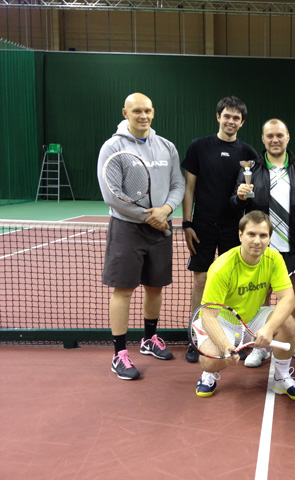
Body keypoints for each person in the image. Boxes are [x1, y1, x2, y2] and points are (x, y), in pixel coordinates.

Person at [97, 92, 185, 380]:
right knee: (123, 290)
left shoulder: (167, 147)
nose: (143, 115)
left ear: (153, 112)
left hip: (160, 227)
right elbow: (112, 195)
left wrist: (167, 210)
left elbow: (178, 184)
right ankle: (119, 353)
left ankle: (149, 339)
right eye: (136, 111)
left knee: (155, 287)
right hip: (127, 228)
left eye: (147, 110)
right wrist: (150, 217)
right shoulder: (112, 147)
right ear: (125, 113)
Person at [194, 210, 295, 402]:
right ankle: (208, 374)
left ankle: (281, 377)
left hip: (253, 318)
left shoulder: (273, 259)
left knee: (287, 323)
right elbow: (208, 315)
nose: (257, 241)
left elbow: (288, 299)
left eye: (263, 235)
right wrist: (226, 347)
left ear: (269, 238)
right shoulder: (222, 267)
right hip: (223, 321)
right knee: (210, 362)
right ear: (240, 235)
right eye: (251, 234)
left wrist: (268, 328)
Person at [232, 118, 295, 366]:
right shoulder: (250, 169)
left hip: (292, 246)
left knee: (294, 295)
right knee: (261, 296)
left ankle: (294, 341)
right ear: (263, 139)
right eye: (270, 136)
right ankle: (260, 346)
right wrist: (239, 198)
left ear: (288, 137)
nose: (275, 140)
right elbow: (235, 204)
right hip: (261, 247)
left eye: (280, 135)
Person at [182, 96, 259, 363]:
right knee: (201, 281)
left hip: (233, 228)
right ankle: (196, 337)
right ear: (218, 117)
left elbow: (251, 193)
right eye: (227, 116)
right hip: (202, 225)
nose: (231, 121)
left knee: (230, 285)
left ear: (242, 122)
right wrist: (187, 223)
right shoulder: (199, 147)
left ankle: (232, 337)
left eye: (236, 118)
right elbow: (189, 188)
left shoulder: (248, 153)